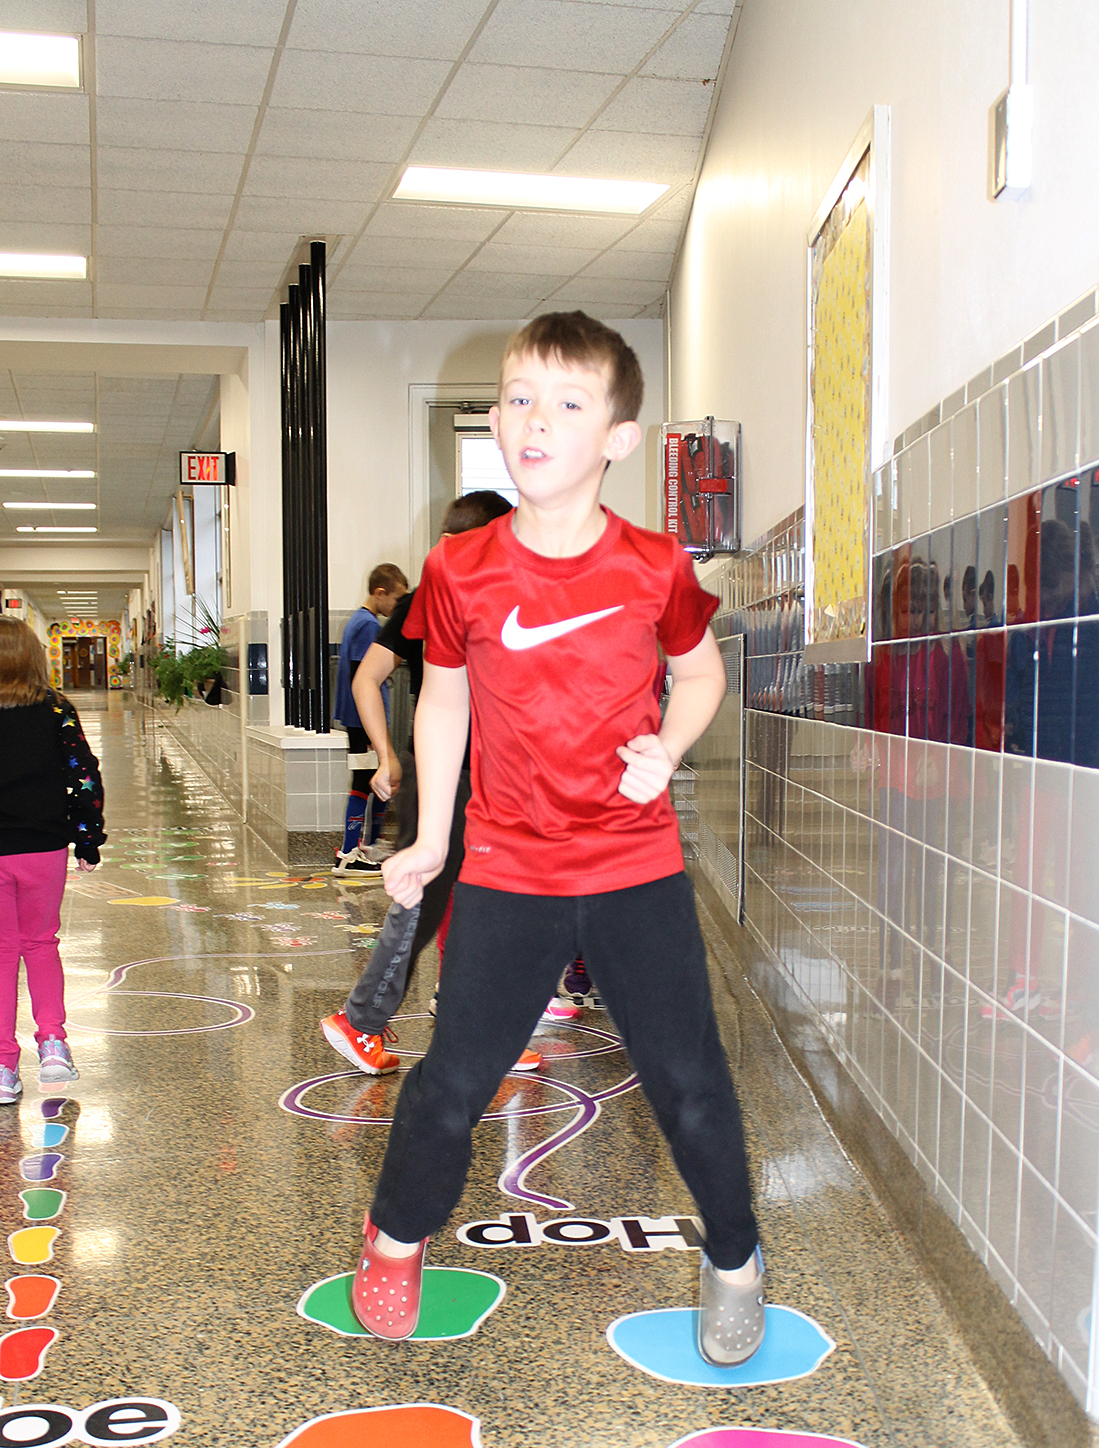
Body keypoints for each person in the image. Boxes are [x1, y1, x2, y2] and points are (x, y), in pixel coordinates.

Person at [347, 310, 765, 1367]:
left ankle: (737, 1259)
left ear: (618, 438)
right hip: (508, 865)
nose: (536, 421)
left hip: (635, 865)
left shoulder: (654, 565)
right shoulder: (460, 567)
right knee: (453, 1078)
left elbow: (703, 673)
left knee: (689, 1079)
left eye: (568, 403)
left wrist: (667, 748)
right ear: (494, 417)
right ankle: (395, 1243)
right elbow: (443, 703)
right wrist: (431, 838)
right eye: (520, 398)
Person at [319, 492, 547, 1078]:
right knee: (423, 904)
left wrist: (386, 754)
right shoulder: (469, 599)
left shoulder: (434, 597)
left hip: (479, 775)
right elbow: (375, 678)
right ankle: (360, 1019)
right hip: (458, 776)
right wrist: (387, 756)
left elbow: (369, 678)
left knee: (477, 905)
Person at [0, 617, 105, 1104]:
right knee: (40, 943)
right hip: (42, 847)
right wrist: (87, 837)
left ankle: (0, 1070)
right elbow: (83, 775)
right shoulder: (54, 707)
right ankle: (53, 1044)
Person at [332, 562, 407, 876]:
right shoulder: (368, 626)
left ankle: (364, 845)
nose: (398, 607)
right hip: (361, 719)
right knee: (366, 781)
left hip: (354, 718)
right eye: (396, 599)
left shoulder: (358, 621)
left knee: (368, 779)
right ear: (380, 593)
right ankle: (350, 850)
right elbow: (365, 677)